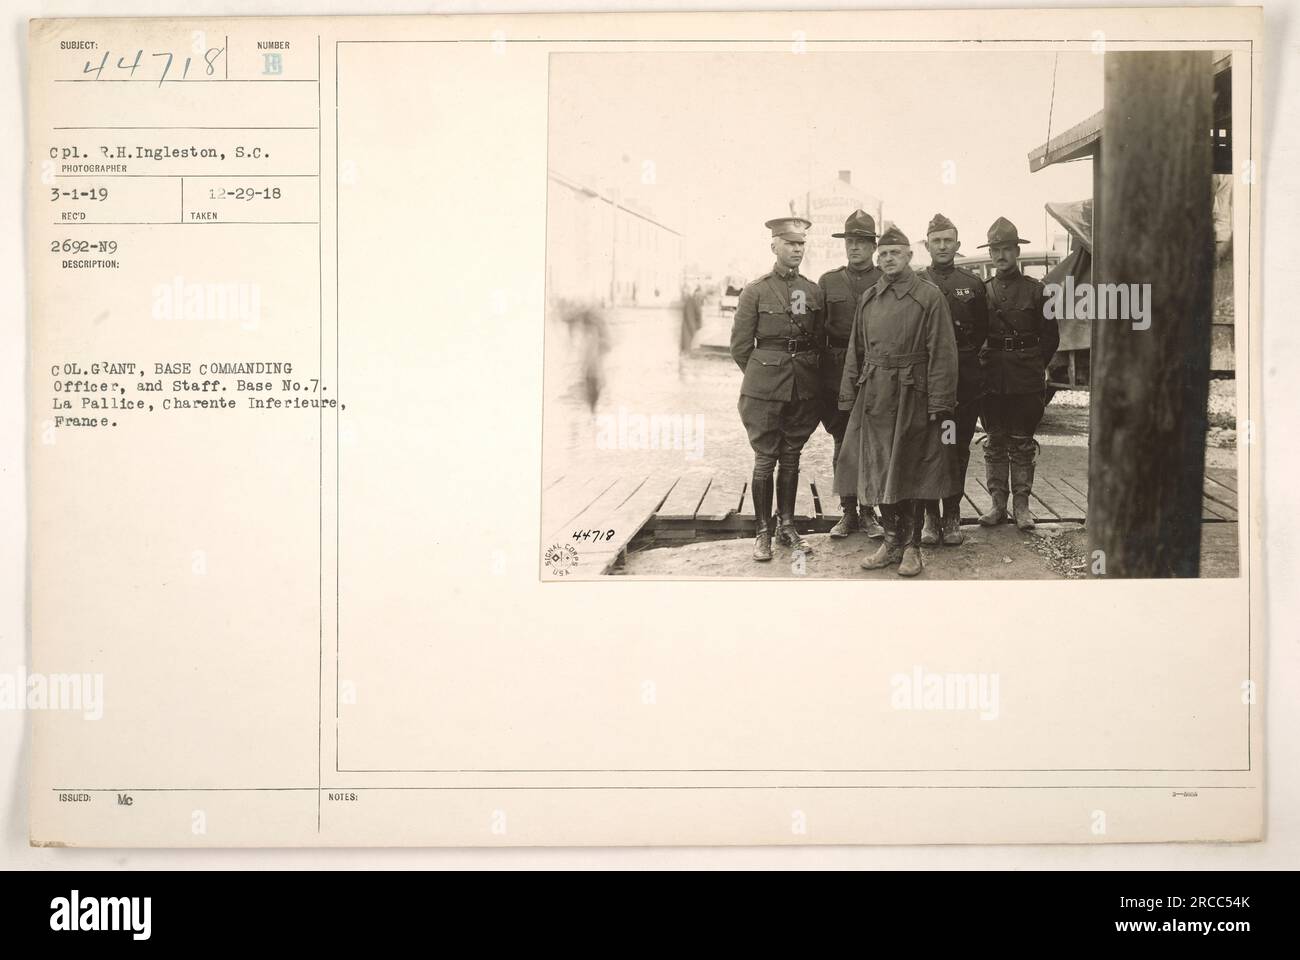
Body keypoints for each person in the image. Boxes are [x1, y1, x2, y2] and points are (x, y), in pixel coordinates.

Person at [834, 225, 959, 577]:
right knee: (877, 466)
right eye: (883, 254)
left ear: (909, 255)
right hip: (874, 393)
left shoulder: (929, 296)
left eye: (895, 253)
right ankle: (890, 541)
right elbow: (855, 351)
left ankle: (912, 546)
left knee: (912, 468)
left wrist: (939, 403)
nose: (888, 259)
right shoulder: (870, 297)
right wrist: (849, 394)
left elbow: (943, 354)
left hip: (912, 392)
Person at [730, 217, 824, 561]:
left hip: (803, 387)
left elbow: (818, 340)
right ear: (774, 246)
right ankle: (763, 532)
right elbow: (741, 347)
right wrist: (764, 373)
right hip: (764, 389)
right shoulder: (755, 290)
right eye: (790, 244)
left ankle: (787, 526)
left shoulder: (811, 291)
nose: (797, 250)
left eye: (801, 244)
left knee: (792, 456)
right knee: (765, 459)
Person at [975, 217, 1060, 531]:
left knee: (1022, 442)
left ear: (1016, 252)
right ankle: (997, 506)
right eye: (996, 249)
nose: (1001, 256)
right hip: (991, 377)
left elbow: (1051, 337)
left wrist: (1034, 365)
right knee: (995, 441)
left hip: (1025, 379)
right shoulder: (982, 292)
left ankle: (1022, 507)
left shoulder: (1040, 291)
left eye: (1007, 249)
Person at [917, 213, 990, 546]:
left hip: (964, 380)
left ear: (957, 245)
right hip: (928, 379)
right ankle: (930, 517)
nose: (943, 246)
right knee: (930, 447)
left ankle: (952, 516)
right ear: (927, 244)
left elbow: (982, 330)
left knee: (958, 447)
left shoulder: (972, 284)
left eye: (948, 241)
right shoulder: (916, 282)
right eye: (937, 241)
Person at [818, 210, 885, 540]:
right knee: (843, 442)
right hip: (836, 371)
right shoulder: (829, 282)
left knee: (873, 443)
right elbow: (817, 333)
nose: (854, 248)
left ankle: (869, 513)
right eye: (850, 242)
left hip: (876, 369)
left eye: (861, 242)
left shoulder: (886, 278)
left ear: (874, 246)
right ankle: (847, 513)